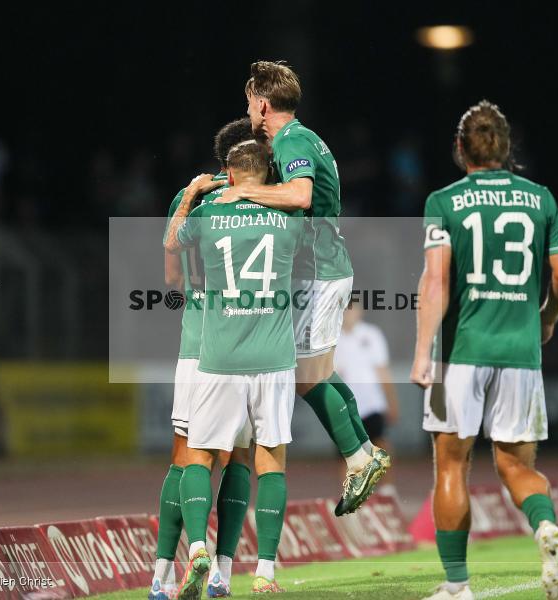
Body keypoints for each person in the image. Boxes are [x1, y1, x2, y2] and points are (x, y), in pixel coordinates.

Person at [410, 100, 558, 600]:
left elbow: (437, 280)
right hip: (520, 353)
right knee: (516, 467)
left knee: (451, 465)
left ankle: (457, 585)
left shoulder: (444, 201)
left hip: (460, 352)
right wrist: (547, 318)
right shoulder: (540, 199)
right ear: (507, 148)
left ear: (460, 148)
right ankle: (544, 524)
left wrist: (422, 351)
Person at [218, 60, 389, 516]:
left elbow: (299, 195)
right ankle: (365, 451)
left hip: (319, 272)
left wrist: (242, 193)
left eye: (249, 103)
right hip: (324, 268)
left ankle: (357, 456)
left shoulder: (292, 140)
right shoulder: (303, 138)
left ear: (262, 104)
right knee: (319, 372)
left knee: (305, 377)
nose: (248, 112)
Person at [165, 140, 303, 596]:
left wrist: (191, 193)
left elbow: (171, 244)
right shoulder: (289, 216)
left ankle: (197, 549)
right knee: (270, 461)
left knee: (200, 455)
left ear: (228, 169)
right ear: (268, 171)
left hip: (219, 357)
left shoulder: (207, 213)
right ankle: (264, 572)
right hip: (274, 358)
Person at [150, 118, 257, 600]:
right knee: (238, 457)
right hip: (248, 345)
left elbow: (172, 276)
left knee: (185, 458)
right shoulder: (261, 200)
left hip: (196, 344)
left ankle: (162, 575)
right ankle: (222, 572)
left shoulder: (188, 197)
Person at [333, 302, 400, 497]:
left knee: (380, 444)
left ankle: (387, 489)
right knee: (346, 450)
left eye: (352, 308)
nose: (348, 313)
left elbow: (382, 370)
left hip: (372, 402)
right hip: (345, 405)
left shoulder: (372, 334)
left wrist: (392, 401)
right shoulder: (332, 338)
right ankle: (350, 494)